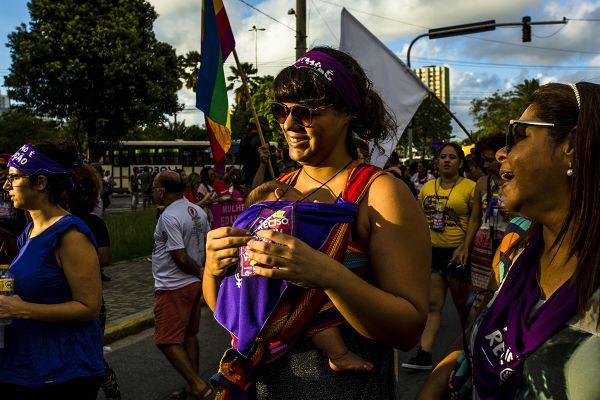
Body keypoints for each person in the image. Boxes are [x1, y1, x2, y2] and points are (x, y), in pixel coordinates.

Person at [203, 47, 430, 399]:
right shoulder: (275, 192)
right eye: (280, 111)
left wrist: (325, 273)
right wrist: (213, 268)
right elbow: (233, 308)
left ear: (345, 113)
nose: (288, 124)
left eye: (304, 113)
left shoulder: (379, 193)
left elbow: (409, 329)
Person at [418, 82, 600, 399]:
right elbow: (482, 327)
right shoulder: (514, 249)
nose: (502, 153)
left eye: (517, 136)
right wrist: (436, 383)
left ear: (570, 145)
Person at [0, 141, 104, 398]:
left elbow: (89, 307)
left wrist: (21, 309)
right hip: (27, 368)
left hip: (62, 373)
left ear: (41, 183)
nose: (5, 185)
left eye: (13, 177)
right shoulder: (30, 232)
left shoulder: (70, 234)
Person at [402, 143, 476, 370]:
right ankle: (424, 354)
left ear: (460, 162)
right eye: (443, 156)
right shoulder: (427, 187)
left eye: (452, 157)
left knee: (465, 307)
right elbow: (418, 218)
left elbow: (475, 219)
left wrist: (465, 246)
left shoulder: (470, 187)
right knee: (433, 306)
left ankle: (471, 352)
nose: (446, 160)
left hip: (457, 254)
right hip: (433, 253)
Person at [151, 170, 212, 400]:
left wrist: (198, 271)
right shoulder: (197, 211)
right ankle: (192, 386)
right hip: (193, 284)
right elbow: (205, 244)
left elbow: (180, 256)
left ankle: (198, 386)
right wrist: (201, 275)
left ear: (161, 191)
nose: (154, 192)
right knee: (189, 335)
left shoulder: (168, 216)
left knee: (166, 340)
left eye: (155, 188)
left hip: (173, 285)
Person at [68, 163, 121, 400]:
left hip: (91, 298)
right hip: (70, 298)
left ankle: (110, 388)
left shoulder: (92, 223)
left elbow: (105, 257)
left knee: (91, 350)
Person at [462, 133, 513, 289]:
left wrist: (514, 213)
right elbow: (475, 219)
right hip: (482, 244)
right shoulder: (482, 182)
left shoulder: (517, 182)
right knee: (479, 294)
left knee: (503, 289)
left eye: (490, 160)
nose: (485, 165)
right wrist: (466, 247)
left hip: (509, 242)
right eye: (483, 160)